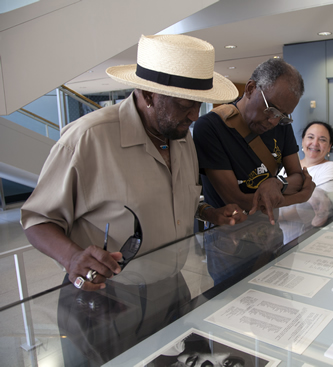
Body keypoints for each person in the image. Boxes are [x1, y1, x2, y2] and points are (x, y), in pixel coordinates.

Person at [20, 34, 246, 292]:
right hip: (106, 295)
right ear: (149, 94)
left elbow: (175, 202)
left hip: (174, 286)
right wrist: (72, 257)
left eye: (199, 104)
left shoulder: (181, 138)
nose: (194, 115)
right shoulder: (88, 138)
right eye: (184, 104)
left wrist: (209, 213)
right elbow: (37, 220)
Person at [193, 58, 315, 225]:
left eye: (283, 115)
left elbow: (298, 177)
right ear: (250, 89)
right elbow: (237, 200)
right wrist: (301, 196)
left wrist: (277, 183)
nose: (273, 121)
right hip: (228, 237)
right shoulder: (211, 127)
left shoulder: (281, 123)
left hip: (270, 232)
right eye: (271, 109)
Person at [293, 121, 333, 185]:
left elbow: (315, 194)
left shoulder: (331, 167)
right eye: (310, 137)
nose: (315, 144)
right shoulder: (291, 165)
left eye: (322, 140)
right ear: (303, 141)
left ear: (329, 146)